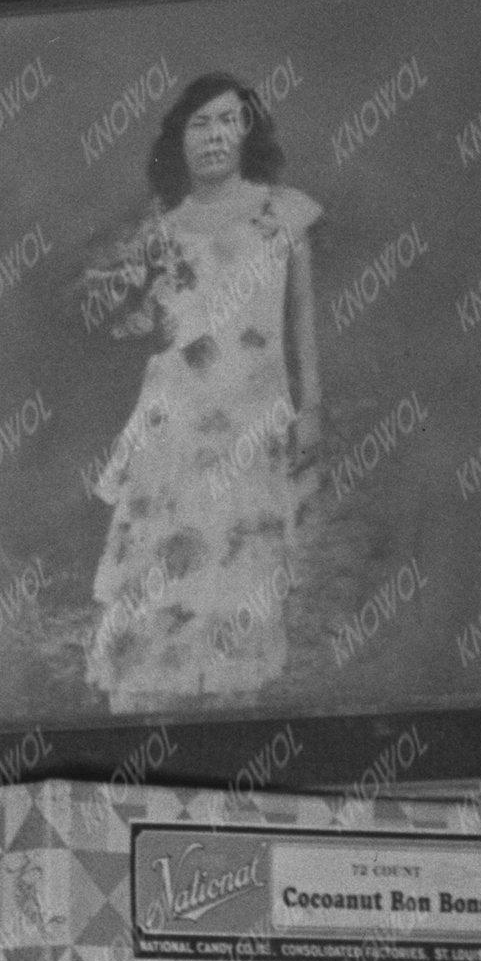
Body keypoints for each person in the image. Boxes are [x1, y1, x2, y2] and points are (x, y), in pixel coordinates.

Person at [75, 68, 323, 710]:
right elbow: (136, 321)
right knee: (163, 556)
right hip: (175, 419)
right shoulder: (159, 233)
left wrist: (311, 407)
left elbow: (301, 323)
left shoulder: (282, 215)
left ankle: (223, 698)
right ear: (178, 141)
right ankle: (153, 694)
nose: (214, 137)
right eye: (199, 124)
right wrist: (141, 315)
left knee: (237, 555)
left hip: (251, 416)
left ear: (248, 131)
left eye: (227, 121)